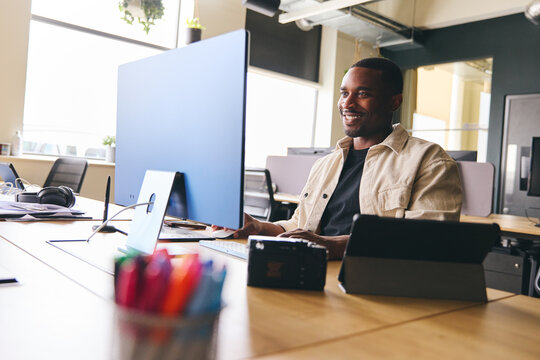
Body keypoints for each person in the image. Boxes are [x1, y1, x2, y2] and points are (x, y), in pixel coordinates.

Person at [219, 57, 462, 259]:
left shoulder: (429, 160)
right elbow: (301, 226)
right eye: (344, 93)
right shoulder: (326, 164)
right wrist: (259, 227)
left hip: (376, 280)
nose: (348, 103)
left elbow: (428, 238)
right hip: (315, 270)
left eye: (363, 93)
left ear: (394, 101)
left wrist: (334, 245)